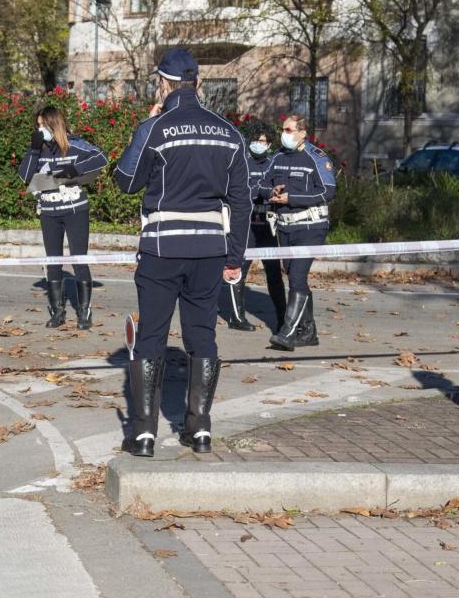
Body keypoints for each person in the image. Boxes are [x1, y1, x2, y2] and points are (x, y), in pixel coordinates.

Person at [113, 48, 251, 457]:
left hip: (161, 247)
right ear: (199, 85)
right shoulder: (229, 133)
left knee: (152, 335)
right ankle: (200, 428)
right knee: (202, 335)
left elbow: (125, 180)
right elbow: (242, 203)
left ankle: (143, 433)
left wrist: (146, 126)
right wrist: (235, 258)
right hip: (209, 248)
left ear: (163, 84)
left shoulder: (156, 128)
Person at [18, 106, 108, 329]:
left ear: (54, 124)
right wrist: (33, 148)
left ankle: (83, 313)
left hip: (75, 209)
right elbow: (25, 177)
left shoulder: (73, 143)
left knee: (79, 259)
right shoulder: (38, 150)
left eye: (43, 126)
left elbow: (101, 158)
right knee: (53, 261)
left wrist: (70, 172)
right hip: (49, 212)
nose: (40, 130)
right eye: (37, 126)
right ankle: (57, 312)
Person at [258, 114, 336, 351]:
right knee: (293, 276)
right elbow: (261, 184)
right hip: (285, 227)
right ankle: (308, 332)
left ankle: (288, 332)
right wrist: (271, 192)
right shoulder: (278, 157)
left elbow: (327, 191)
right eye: (284, 129)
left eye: (290, 130)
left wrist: (293, 198)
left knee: (298, 277)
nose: (285, 134)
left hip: (311, 227)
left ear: (303, 133)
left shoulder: (316, 158)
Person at [223, 117, 286, 332]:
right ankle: (236, 317)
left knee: (274, 273)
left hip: (268, 225)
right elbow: (237, 192)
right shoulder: (241, 162)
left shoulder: (273, 164)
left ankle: (282, 318)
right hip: (246, 224)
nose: (261, 144)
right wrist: (263, 191)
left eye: (265, 141)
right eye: (257, 140)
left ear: (269, 144)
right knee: (239, 269)